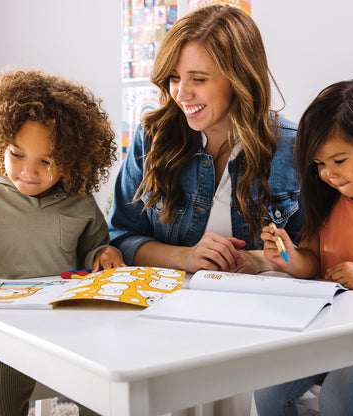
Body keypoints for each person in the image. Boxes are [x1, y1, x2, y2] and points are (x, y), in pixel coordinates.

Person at [108, 4, 302, 278]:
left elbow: (312, 252)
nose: (181, 94)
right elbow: (121, 237)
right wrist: (186, 257)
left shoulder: (293, 147)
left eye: (198, 79)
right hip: (169, 307)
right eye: (174, 78)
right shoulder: (152, 138)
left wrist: (259, 260)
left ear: (240, 79)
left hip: (261, 310)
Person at [255, 78, 353, 415]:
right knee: (267, 386)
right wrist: (291, 258)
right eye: (320, 164)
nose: (328, 174)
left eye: (339, 160)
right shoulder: (328, 203)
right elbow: (313, 263)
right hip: (335, 330)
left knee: (339, 394)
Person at [0, 68, 126, 416]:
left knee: (103, 391)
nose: (28, 171)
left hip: (69, 322)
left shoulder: (80, 201)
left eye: (46, 161)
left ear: (72, 158)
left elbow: (93, 250)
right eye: (16, 154)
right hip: (7, 326)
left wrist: (105, 253)